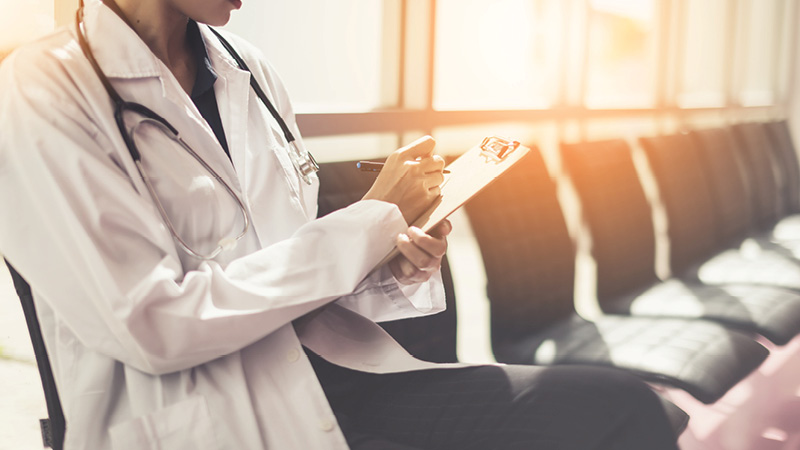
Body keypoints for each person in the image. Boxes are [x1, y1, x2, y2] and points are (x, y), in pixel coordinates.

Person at [0, 0, 680, 448]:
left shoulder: (249, 70)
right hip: (205, 423)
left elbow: (290, 267)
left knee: (621, 409)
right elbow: (152, 324)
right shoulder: (41, 91)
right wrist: (367, 224)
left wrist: (389, 255)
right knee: (618, 416)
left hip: (343, 379)